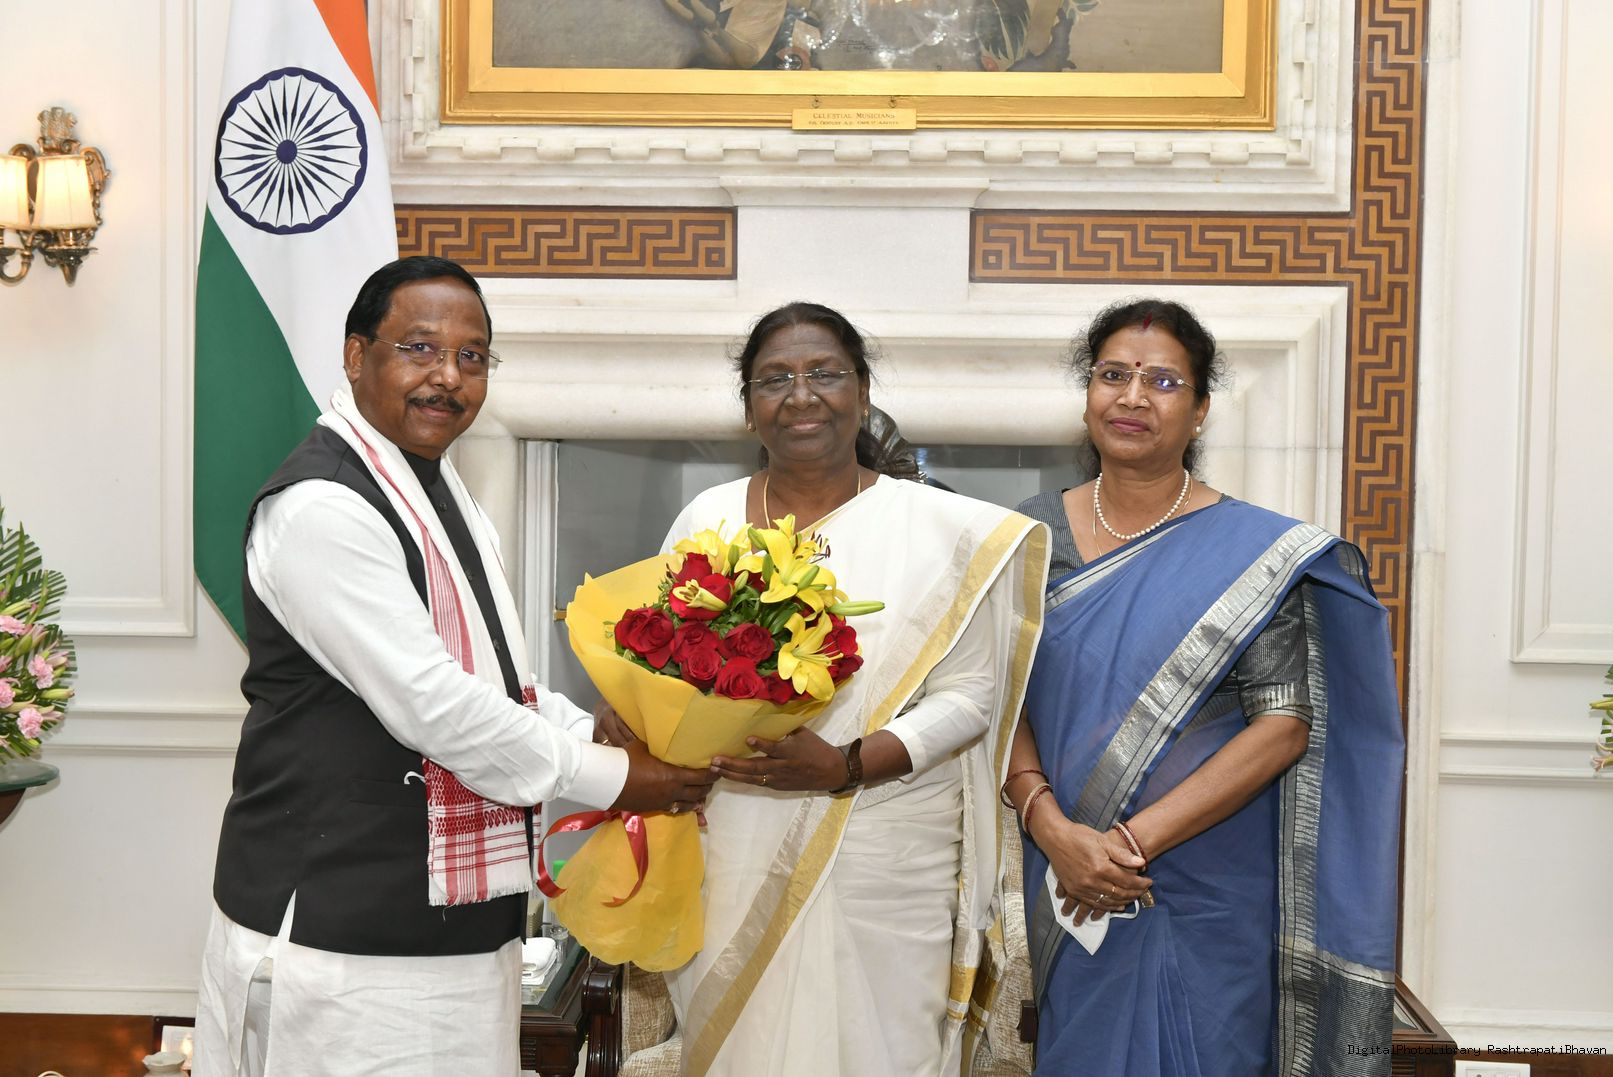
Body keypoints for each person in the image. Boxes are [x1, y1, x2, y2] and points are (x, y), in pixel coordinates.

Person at [193, 256, 715, 1077]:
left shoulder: (440, 493)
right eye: (420, 348)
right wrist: (619, 776)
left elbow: (501, 687)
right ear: (356, 355)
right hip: (345, 936)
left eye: (472, 356)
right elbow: (434, 705)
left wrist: (601, 729)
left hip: (451, 927)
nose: (448, 376)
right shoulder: (324, 506)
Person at [597, 301, 1049, 1076]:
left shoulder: (941, 530)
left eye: (824, 374)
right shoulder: (707, 517)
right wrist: (625, 714)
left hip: (884, 846)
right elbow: (654, 659)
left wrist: (847, 763)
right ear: (748, 408)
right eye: (774, 378)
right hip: (728, 839)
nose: (800, 395)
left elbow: (972, 697)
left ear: (863, 393)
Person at [1004, 299, 1404, 1075]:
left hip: (1201, 879)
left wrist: (1128, 845)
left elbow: (1284, 722)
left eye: (1162, 381)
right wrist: (1051, 827)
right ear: (1087, 396)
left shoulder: (1253, 551)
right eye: (1112, 375)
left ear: (1200, 409)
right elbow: (1001, 697)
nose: (1132, 396)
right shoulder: (1027, 536)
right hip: (1064, 871)